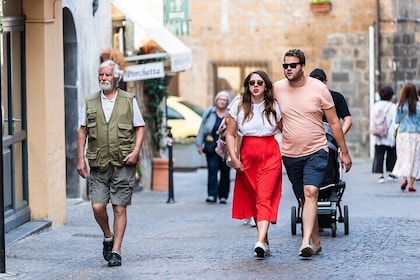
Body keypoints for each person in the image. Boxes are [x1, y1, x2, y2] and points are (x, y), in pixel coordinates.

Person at [273, 49, 352, 258]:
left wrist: (344, 152)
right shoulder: (277, 89)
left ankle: (305, 242)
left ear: (302, 66)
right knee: (304, 199)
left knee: (311, 193)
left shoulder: (318, 89)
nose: (288, 69)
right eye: (285, 66)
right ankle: (316, 241)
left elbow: (335, 122)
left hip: (317, 150)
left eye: (293, 65)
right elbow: (269, 113)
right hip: (290, 154)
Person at [77, 60, 146, 267]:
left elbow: (140, 127)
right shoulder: (90, 102)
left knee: (119, 208)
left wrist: (136, 152)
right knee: (98, 207)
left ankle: (116, 250)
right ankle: (108, 236)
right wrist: (80, 158)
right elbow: (82, 130)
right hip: (98, 162)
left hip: (123, 162)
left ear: (116, 77)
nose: (103, 78)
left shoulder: (128, 100)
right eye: (101, 75)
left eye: (107, 75)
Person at [226, 70, 282, 259]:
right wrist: (234, 157)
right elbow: (231, 133)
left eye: (259, 82)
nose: (256, 85)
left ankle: (259, 241)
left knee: (263, 197)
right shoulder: (239, 105)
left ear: (266, 85)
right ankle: (264, 241)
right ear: (247, 86)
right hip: (247, 155)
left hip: (270, 153)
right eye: (252, 83)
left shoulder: (274, 105)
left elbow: (286, 129)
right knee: (255, 198)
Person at [196, 91, 231, 204]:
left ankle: (223, 196)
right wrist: (199, 144)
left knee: (225, 171)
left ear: (227, 102)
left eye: (224, 100)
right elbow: (202, 128)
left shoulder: (230, 114)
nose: (222, 101)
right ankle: (212, 194)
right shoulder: (209, 112)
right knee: (212, 169)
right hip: (211, 146)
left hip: (226, 147)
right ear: (216, 100)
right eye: (220, 99)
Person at [391, 82, 420, 192]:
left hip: (402, 134)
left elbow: (397, 121)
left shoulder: (400, 105)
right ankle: (412, 184)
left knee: (403, 157)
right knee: (415, 158)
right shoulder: (418, 106)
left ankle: (404, 179)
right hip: (415, 135)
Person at [309, 68, 353, 135]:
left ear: (325, 82)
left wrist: (337, 138)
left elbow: (348, 120)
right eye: (314, 81)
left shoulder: (337, 97)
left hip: (329, 138)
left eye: (320, 80)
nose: (317, 83)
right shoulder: (307, 98)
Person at [370, 86, 397, 183]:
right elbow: (395, 121)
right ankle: (391, 173)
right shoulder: (393, 107)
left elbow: (373, 119)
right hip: (389, 134)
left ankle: (380, 175)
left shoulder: (376, 105)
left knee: (379, 154)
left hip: (378, 133)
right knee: (391, 154)